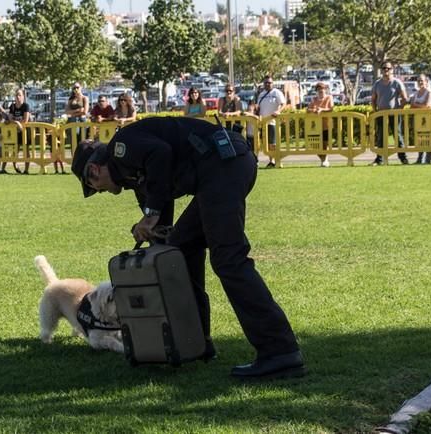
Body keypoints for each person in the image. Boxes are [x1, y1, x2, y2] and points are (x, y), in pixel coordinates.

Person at [71, 117, 304, 380]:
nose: (99, 192)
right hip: (221, 167)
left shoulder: (122, 147)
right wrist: (155, 230)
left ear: (93, 172)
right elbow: (161, 224)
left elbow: (161, 154)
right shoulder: (134, 175)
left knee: (229, 259)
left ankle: (280, 351)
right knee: (181, 246)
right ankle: (194, 342)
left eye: (93, 187)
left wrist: (150, 215)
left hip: (223, 165)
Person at [369, 62, 409, 165]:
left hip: (394, 114)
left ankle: (403, 158)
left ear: (392, 70)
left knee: (398, 136)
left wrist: (399, 108)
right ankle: (379, 159)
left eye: (388, 68)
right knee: (380, 137)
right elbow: (373, 99)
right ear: (381, 70)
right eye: (384, 68)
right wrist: (375, 110)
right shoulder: (377, 84)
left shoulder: (397, 83)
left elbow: (405, 98)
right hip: (381, 114)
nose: (386, 70)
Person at [256, 76, 286, 168]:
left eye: (269, 82)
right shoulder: (261, 94)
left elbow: (283, 103)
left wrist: (278, 111)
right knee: (266, 143)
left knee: (273, 143)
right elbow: (258, 107)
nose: (268, 84)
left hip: (273, 121)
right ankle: (271, 161)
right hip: (262, 122)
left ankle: (276, 160)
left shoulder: (277, 92)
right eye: (266, 83)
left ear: (273, 83)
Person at [409, 74, 431, 165]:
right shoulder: (416, 93)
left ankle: (428, 159)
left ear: (426, 81)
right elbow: (411, 107)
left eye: (422, 80)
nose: (420, 82)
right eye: (419, 80)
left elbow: (427, 106)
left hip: (428, 119)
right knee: (419, 138)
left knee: (428, 138)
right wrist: (418, 106)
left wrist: (415, 105)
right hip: (418, 119)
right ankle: (419, 159)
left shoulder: (429, 92)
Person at [62, 82, 89, 174]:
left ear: (81, 88)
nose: (75, 89)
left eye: (77, 87)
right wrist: (77, 111)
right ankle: (75, 163)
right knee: (73, 143)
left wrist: (73, 113)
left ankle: (84, 163)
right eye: (74, 88)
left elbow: (85, 111)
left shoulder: (85, 98)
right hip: (72, 123)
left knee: (83, 142)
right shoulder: (71, 99)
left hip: (82, 123)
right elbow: (66, 111)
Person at [306, 82, 334, 167]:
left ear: (325, 89)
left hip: (326, 125)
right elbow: (308, 109)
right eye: (318, 89)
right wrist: (313, 110)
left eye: (322, 89)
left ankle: (324, 160)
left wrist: (321, 109)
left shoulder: (329, 97)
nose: (321, 90)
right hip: (315, 126)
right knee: (316, 145)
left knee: (325, 144)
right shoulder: (314, 99)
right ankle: (323, 159)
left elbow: (331, 108)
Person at [6, 88, 32, 174]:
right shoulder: (12, 106)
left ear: (23, 96)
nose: (18, 97)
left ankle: (26, 170)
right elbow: (10, 118)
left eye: (19, 95)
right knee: (15, 150)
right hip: (15, 131)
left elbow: (25, 120)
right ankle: (16, 167)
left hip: (25, 131)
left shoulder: (26, 106)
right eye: (16, 95)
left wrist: (17, 122)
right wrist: (16, 122)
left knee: (26, 150)